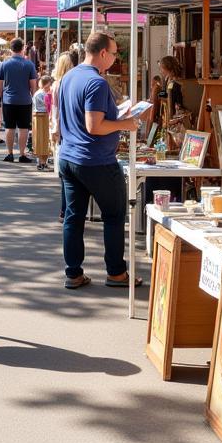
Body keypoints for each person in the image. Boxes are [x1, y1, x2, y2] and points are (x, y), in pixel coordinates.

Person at [57, 32, 143, 290]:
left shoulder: (69, 77)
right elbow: (93, 125)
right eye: (115, 53)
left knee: (74, 217)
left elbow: (81, 117)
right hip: (95, 160)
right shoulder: (97, 82)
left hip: (70, 156)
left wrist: (118, 114)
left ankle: (73, 273)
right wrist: (126, 124)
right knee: (115, 215)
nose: (116, 59)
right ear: (103, 53)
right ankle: (116, 272)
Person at [0, 37, 38, 163]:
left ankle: (9, 153)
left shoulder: (4, 64)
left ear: (11, 49)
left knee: (9, 127)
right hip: (25, 100)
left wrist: (1, 94)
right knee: (23, 128)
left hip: (8, 100)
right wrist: (33, 95)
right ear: (22, 48)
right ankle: (22, 154)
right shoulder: (29, 64)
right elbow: (33, 85)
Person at [50, 52, 75, 219]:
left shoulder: (57, 84)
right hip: (66, 130)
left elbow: (55, 111)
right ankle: (66, 209)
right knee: (67, 176)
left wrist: (54, 130)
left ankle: (65, 209)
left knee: (65, 176)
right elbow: (57, 111)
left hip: (61, 130)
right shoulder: (65, 84)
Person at [33, 74, 53, 170]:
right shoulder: (42, 94)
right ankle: (42, 163)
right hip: (42, 116)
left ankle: (42, 162)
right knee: (42, 140)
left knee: (43, 140)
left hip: (41, 116)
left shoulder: (40, 93)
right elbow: (47, 105)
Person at [157, 55, 184, 120]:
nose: (160, 71)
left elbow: (175, 101)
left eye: (161, 68)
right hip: (167, 111)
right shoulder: (167, 79)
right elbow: (163, 94)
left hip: (176, 113)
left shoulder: (176, 83)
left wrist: (160, 95)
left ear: (168, 68)